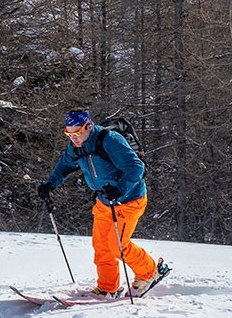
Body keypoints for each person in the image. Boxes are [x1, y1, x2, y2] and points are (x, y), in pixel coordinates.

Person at [37, 109, 168, 296]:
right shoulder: (76, 146)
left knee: (118, 245)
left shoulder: (110, 140)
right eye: (69, 133)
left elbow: (136, 167)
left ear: (88, 126)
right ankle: (108, 287)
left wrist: (120, 188)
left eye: (76, 133)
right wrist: (50, 184)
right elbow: (65, 165)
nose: (73, 138)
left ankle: (150, 271)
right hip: (104, 201)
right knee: (101, 246)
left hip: (129, 200)